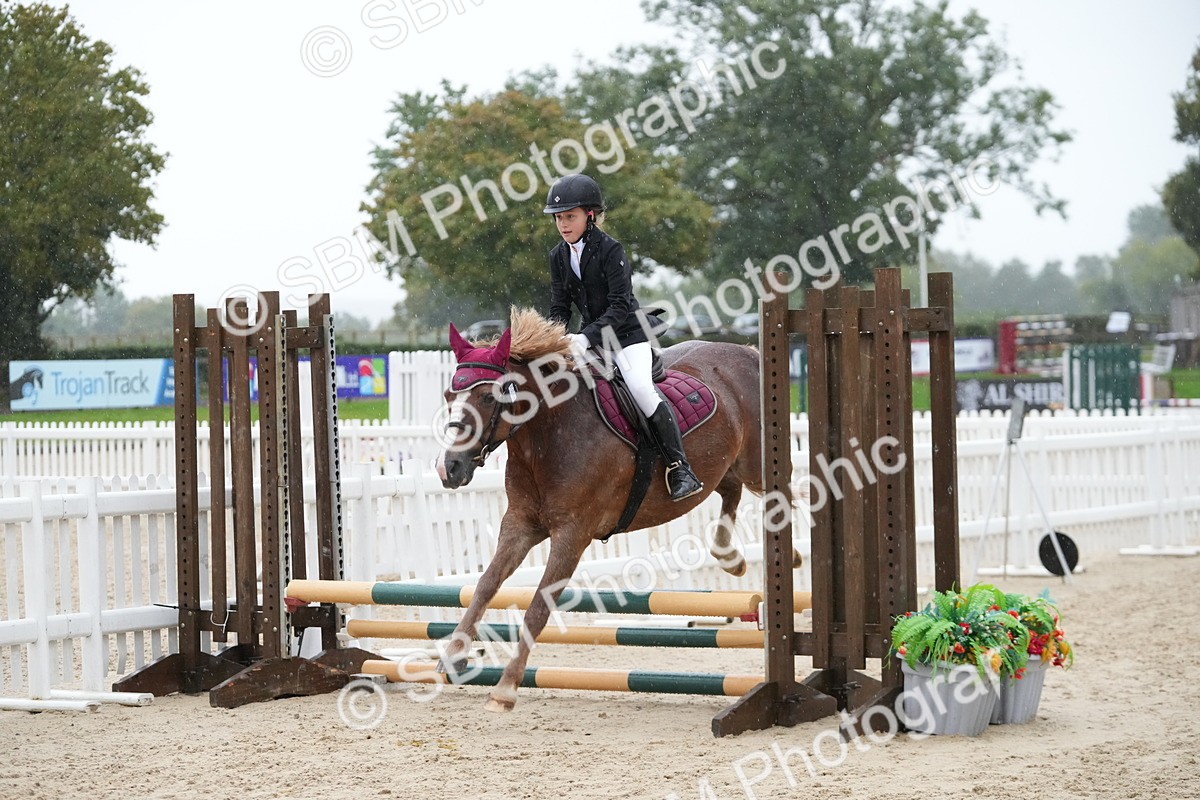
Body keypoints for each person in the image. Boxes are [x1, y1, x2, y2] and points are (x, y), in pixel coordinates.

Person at [543, 173, 703, 502]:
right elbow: (560, 306)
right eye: (559, 218)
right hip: (592, 341)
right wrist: (554, 339)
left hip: (627, 337)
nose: (563, 224)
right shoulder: (557, 256)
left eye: (569, 217)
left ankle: (679, 466)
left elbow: (619, 306)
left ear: (590, 215)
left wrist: (585, 337)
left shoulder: (610, 249)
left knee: (641, 389)